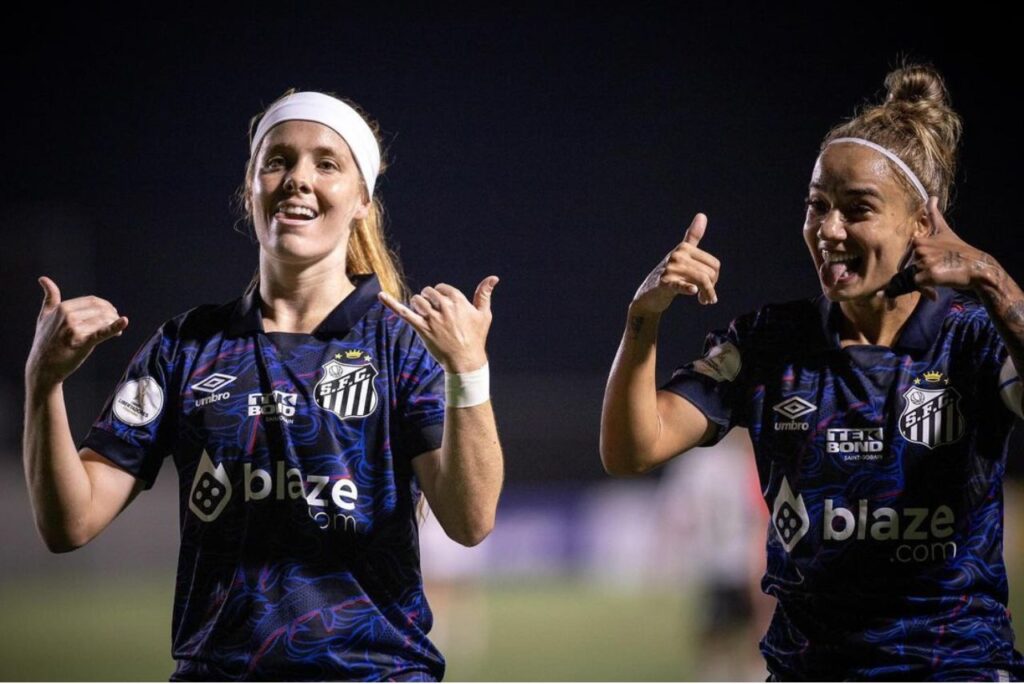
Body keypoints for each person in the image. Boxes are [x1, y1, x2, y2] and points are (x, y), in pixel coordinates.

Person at [24, 90, 504, 681]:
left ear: (361, 201)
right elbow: (68, 522)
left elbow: (471, 519)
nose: (298, 179)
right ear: (249, 187)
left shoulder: (399, 345)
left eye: (327, 163)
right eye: (278, 160)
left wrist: (468, 373)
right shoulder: (186, 346)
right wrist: (43, 384)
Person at [600, 63, 1024, 679]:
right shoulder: (772, 343)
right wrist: (643, 319)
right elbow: (631, 449)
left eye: (858, 209)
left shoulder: (973, 339)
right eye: (817, 205)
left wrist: (993, 278)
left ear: (922, 224)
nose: (828, 229)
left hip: (956, 666)